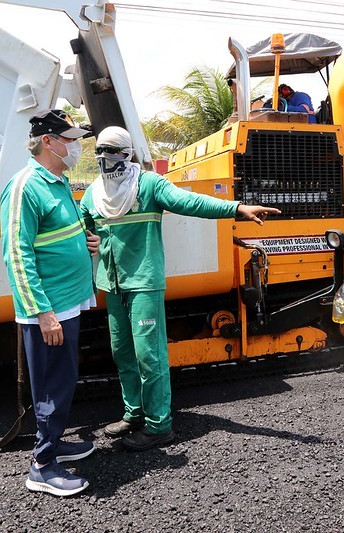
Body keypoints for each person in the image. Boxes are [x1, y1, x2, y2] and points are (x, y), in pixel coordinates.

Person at [79, 127, 281, 452]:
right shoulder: (93, 193)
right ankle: (134, 413)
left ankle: (159, 426)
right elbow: (83, 228)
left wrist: (236, 208)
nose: (106, 157)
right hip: (111, 284)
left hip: (144, 283)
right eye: (101, 150)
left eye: (113, 150)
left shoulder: (147, 184)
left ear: (127, 153)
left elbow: (188, 201)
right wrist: (86, 240)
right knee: (123, 352)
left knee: (149, 354)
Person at [0, 109, 102, 497]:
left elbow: (64, 231)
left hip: (69, 301)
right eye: (70, 140)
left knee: (62, 381)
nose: (76, 147)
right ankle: (42, 466)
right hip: (50, 307)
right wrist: (42, 312)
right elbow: (17, 255)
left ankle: (55, 443)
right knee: (50, 387)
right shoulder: (25, 186)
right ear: (48, 141)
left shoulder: (57, 181)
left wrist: (87, 242)